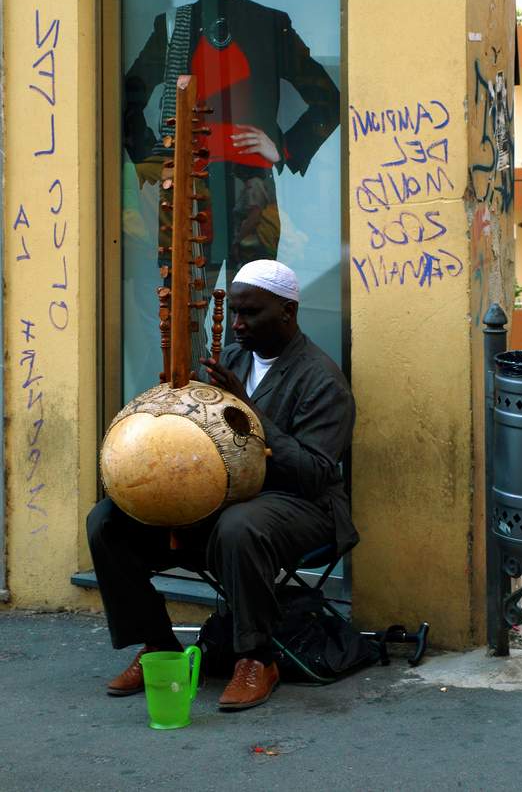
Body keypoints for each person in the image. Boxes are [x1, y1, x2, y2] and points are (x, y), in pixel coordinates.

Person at [87, 261, 357, 711]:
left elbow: (313, 473)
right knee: (108, 520)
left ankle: (256, 657)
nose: (237, 324)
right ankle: (158, 646)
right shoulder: (229, 357)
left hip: (302, 507)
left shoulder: (322, 379)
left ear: (287, 312)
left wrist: (251, 413)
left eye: (250, 313)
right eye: (235, 312)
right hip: (227, 499)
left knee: (238, 525)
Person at [124, 0, 340, 282]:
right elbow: (127, 98)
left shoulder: (272, 26)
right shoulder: (175, 25)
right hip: (189, 189)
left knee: (253, 311)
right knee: (186, 313)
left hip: (252, 190)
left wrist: (284, 148)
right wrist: (153, 159)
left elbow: (330, 101)